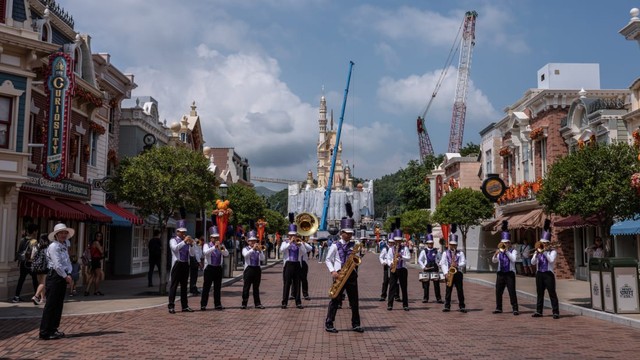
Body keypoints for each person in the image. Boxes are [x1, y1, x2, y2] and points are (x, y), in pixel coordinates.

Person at [324, 216, 365, 333]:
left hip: (351, 274)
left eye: (351, 234)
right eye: (347, 233)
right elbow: (328, 259)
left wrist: (360, 255)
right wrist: (333, 271)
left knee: (354, 301)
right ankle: (329, 323)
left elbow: (357, 259)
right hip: (340, 274)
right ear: (341, 233)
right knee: (335, 299)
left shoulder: (354, 245)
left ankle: (356, 324)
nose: (349, 236)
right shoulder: (335, 245)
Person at [39, 223, 74, 340]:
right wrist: (66, 276)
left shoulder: (63, 246)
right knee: (51, 304)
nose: (64, 235)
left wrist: (69, 272)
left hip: (62, 277)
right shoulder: (53, 247)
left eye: (65, 233)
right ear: (56, 234)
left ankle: (53, 329)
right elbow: (57, 265)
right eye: (61, 233)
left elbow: (67, 262)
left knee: (58, 304)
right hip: (55, 276)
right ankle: (45, 332)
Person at [531, 224, 560, 319]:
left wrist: (545, 252)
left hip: (548, 274)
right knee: (540, 293)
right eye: (541, 243)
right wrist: (536, 254)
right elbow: (532, 262)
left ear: (547, 244)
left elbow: (551, 260)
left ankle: (555, 312)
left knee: (552, 293)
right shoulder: (537, 252)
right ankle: (539, 311)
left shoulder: (553, 251)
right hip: (539, 274)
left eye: (544, 244)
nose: (542, 245)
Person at [491, 222, 519, 315]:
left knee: (512, 291)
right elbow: (494, 261)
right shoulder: (499, 252)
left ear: (509, 243)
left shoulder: (513, 251)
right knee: (498, 291)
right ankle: (499, 308)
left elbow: (513, 259)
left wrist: (506, 251)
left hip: (510, 273)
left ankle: (515, 308)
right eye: (503, 243)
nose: (505, 244)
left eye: (506, 243)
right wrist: (495, 254)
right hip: (500, 273)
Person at [167, 220, 195, 314]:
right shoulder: (173, 240)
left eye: (184, 232)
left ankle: (185, 306)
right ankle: (171, 306)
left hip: (185, 264)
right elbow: (175, 248)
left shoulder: (187, 242)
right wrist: (184, 241)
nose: (183, 233)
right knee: (174, 286)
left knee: (184, 286)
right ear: (177, 231)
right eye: (181, 231)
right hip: (177, 264)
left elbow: (192, 254)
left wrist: (191, 245)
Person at [439, 227, 467, 313]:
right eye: (452, 245)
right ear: (449, 244)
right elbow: (442, 263)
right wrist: (445, 273)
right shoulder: (445, 252)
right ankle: (447, 306)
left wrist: (457, 264)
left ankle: (462, 306)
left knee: (460, 290)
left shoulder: (460, 253)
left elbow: (464, 262)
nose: (453, 246)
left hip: (458, 273)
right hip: (449, 273)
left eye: (455, 245)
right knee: (448, 290)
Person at [200, 226, 229, 311]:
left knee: (217, 287)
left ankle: (217, 304)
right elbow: (205, 252)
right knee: (206, 287)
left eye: (217, 237)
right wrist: (214, 247)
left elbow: (226, 254)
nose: (216, 239)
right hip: (209, 268)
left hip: (218, 268)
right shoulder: (206, 245)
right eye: (214, 237)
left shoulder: (221, 245)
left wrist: (220, 248)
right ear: (211, 237)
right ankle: (203, 305)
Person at [280, 220, 304, 309]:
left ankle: (298, 302)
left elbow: (304, 252)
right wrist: (290, 242)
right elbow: (282, 250)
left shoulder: (299, 243)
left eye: (294, 235)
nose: (293, 237)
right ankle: (284, 302)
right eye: (291, 235)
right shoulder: (285, 243)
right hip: (288, 264)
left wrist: (300, 245)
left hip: (297, 264)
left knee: (297, 284)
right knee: (287, 284)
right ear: (288, 236)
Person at [385, 230, 411, 311]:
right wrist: (390, 264)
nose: (397, 242)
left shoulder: (405, 248)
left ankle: (405, 305)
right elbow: (388, 258)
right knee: (392, 286)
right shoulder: (391, 249)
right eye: (396, 241)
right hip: (394, 269)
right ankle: (390, 304)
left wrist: (402, 256)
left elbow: (409, 258)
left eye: (399, 241)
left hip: (402, 269)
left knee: (404, 287)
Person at [13, 224, 39, 303]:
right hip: (30, 263)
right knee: (35, 280)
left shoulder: (22, 240)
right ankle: (36, 296)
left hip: (23, 262)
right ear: (34, 231)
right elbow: (35, 253)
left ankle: (16, 296)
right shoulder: (34, 241)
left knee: (21, 279)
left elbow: (19, 250)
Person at [241, 230, 266, 309]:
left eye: (254, 241)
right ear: (248, 242)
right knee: (246, 287)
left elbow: (262, 259)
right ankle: (244, 303)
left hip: (257, 269)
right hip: (249, 269)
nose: (253, 242)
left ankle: (257, 303)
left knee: (256, 287)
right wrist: (253, 249)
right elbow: (245, 255)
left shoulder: (258, 249)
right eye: (251, 241)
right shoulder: (245, 249)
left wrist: (260, 250)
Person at [418, 231, 443, 304]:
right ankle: (425, 298)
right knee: (426, 284)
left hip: (434, 267)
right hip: (427, 267)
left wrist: (439, 264)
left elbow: (440, 258)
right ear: (427, 244)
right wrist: (423, 266)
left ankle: (438, 298)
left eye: (431, 243)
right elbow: (420, 260)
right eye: (429, 243)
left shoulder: (436, 251)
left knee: (436, 284)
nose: (430, 244)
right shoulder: (424, 251)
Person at [32, 234, 50, 305]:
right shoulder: (48, 247)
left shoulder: (36, 246)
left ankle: (43, 298)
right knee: (43, 283)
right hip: (45, 267)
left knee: (40, 283)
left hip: (37, 267)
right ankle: (36, 296)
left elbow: (32, 256)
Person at [378, 236, 390, 302]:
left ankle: (396, 296)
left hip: (394, 265)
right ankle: (383, 295)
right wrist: (383, 262)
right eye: (390, 242)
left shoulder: (395, 248)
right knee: (385, 281)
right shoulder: (385, 249)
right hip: (387, 266)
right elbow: (381, 257)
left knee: (395, 282)